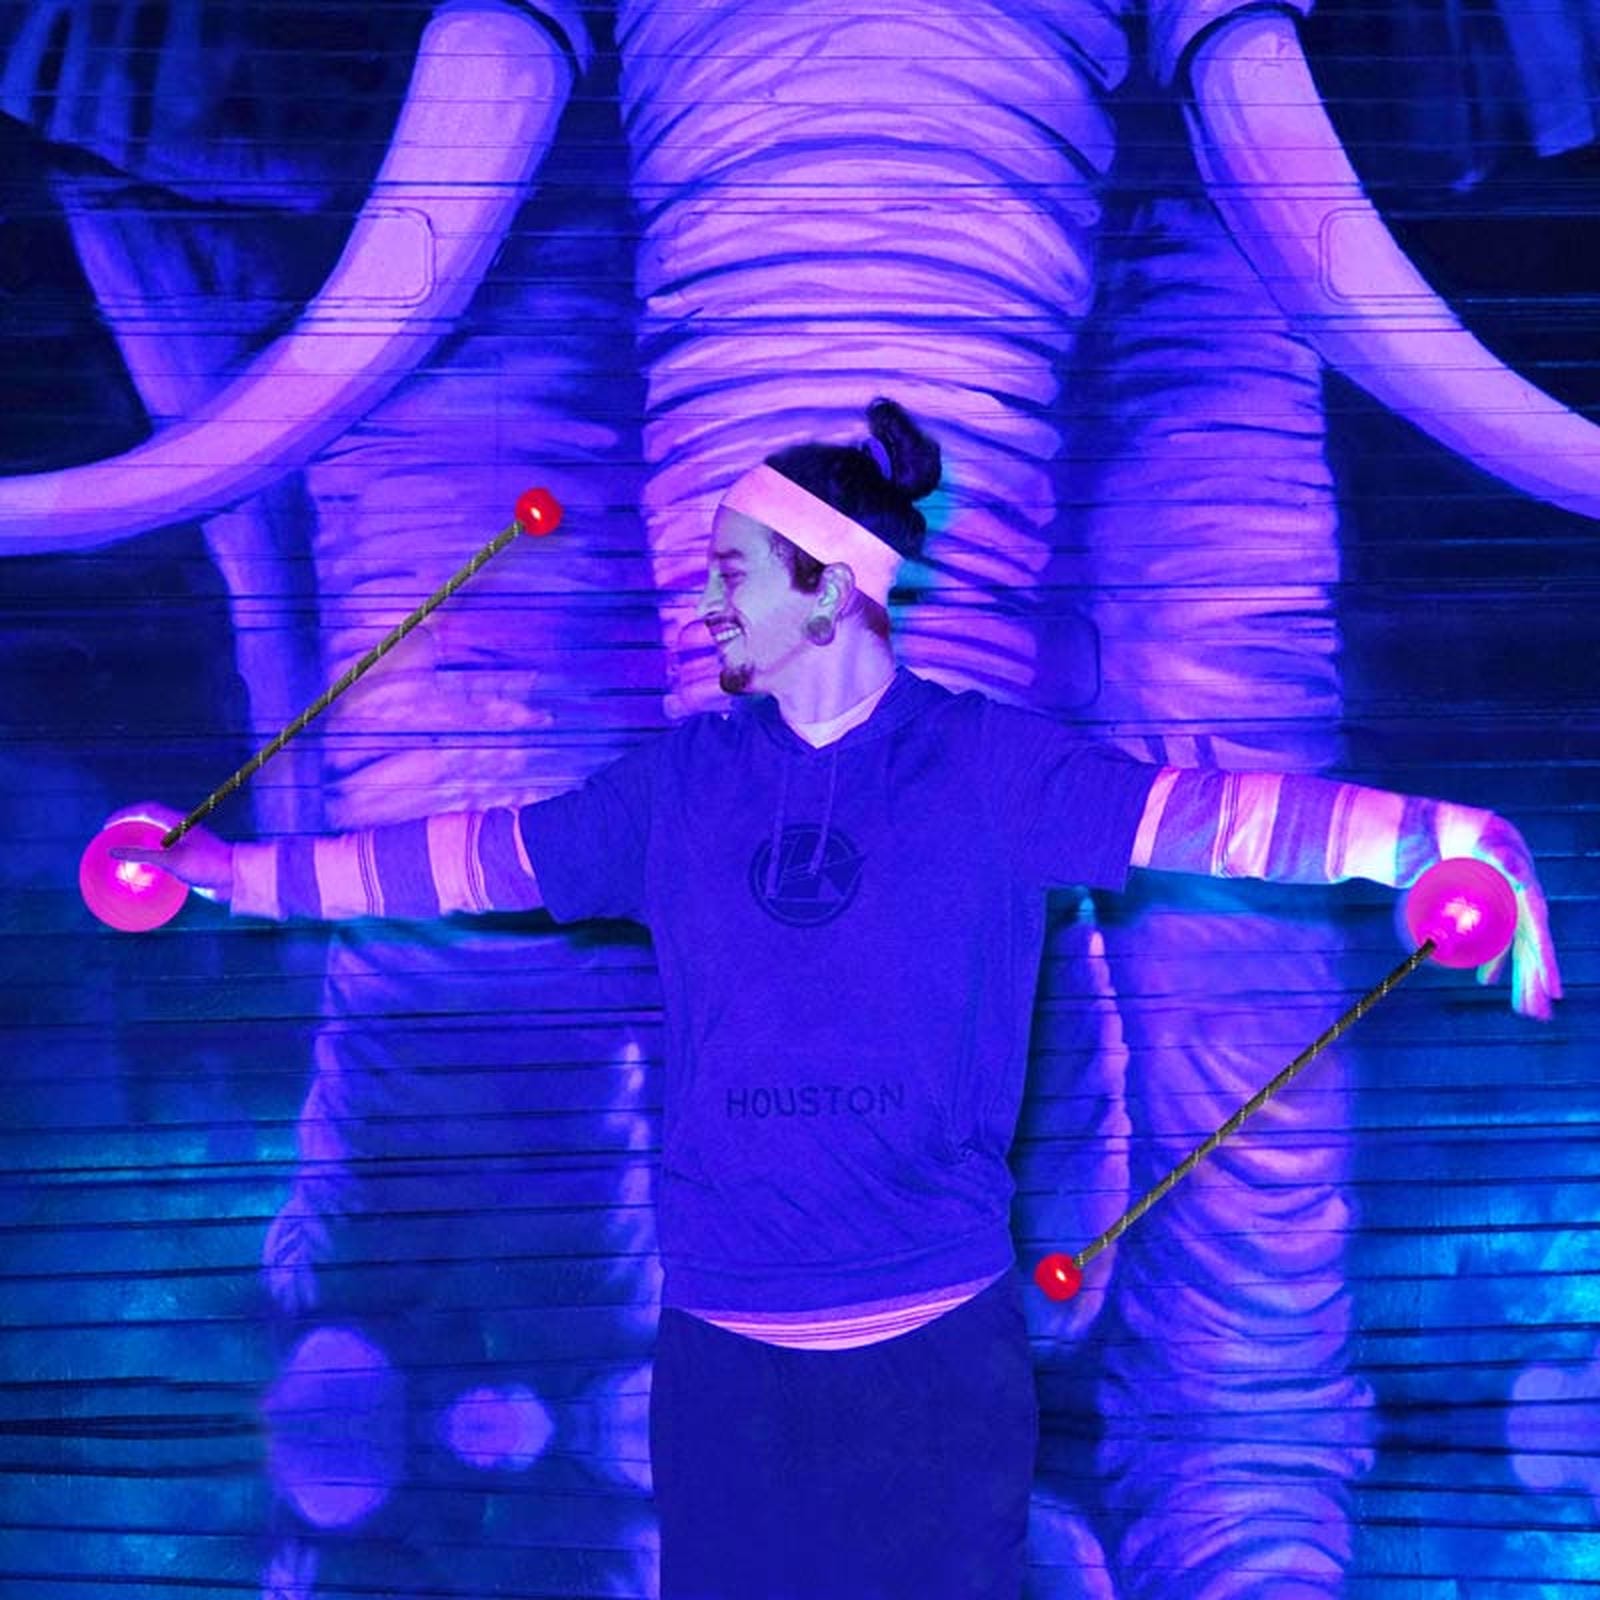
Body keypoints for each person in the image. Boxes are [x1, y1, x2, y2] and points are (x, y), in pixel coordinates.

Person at [122, 396, 1561, 1600]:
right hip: (723, 1360)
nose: (707, 603)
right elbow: (465, 858)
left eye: (732, 573)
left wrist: (1434, 835)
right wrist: (236, 877)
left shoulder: (996, 768)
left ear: (828, 588)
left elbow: (1221, 819)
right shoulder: (680, 785)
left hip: (936, 1359)